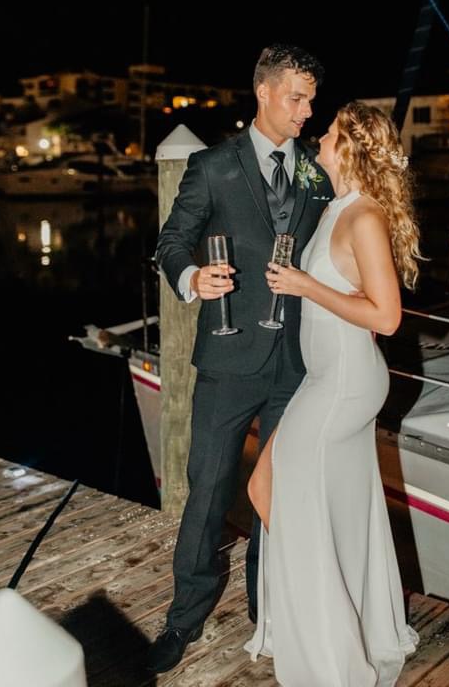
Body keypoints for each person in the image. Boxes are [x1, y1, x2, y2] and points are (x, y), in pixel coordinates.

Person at [147, 44, 333, 674]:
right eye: (297, 98)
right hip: (228, 357)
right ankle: (183, 617)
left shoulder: (315, 171)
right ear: (264, 92)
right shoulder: (213, 166)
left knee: (279, 492)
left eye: (310, 99)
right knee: (208, 492)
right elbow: (170, 241)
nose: (307, 111)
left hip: (298, 361)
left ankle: (267, 608)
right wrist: (193, 276)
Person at [245, 100, 421, 687]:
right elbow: (361, 303)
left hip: (344, 385)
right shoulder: (339, 207)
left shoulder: (364, 217)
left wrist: (303, 285)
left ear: (348, 147)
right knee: (318, 502)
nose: (319, 135)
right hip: (327, 377)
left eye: (330, 131)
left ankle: (327, 638)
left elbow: (389, 318)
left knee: (269, 486)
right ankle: (347, 620)